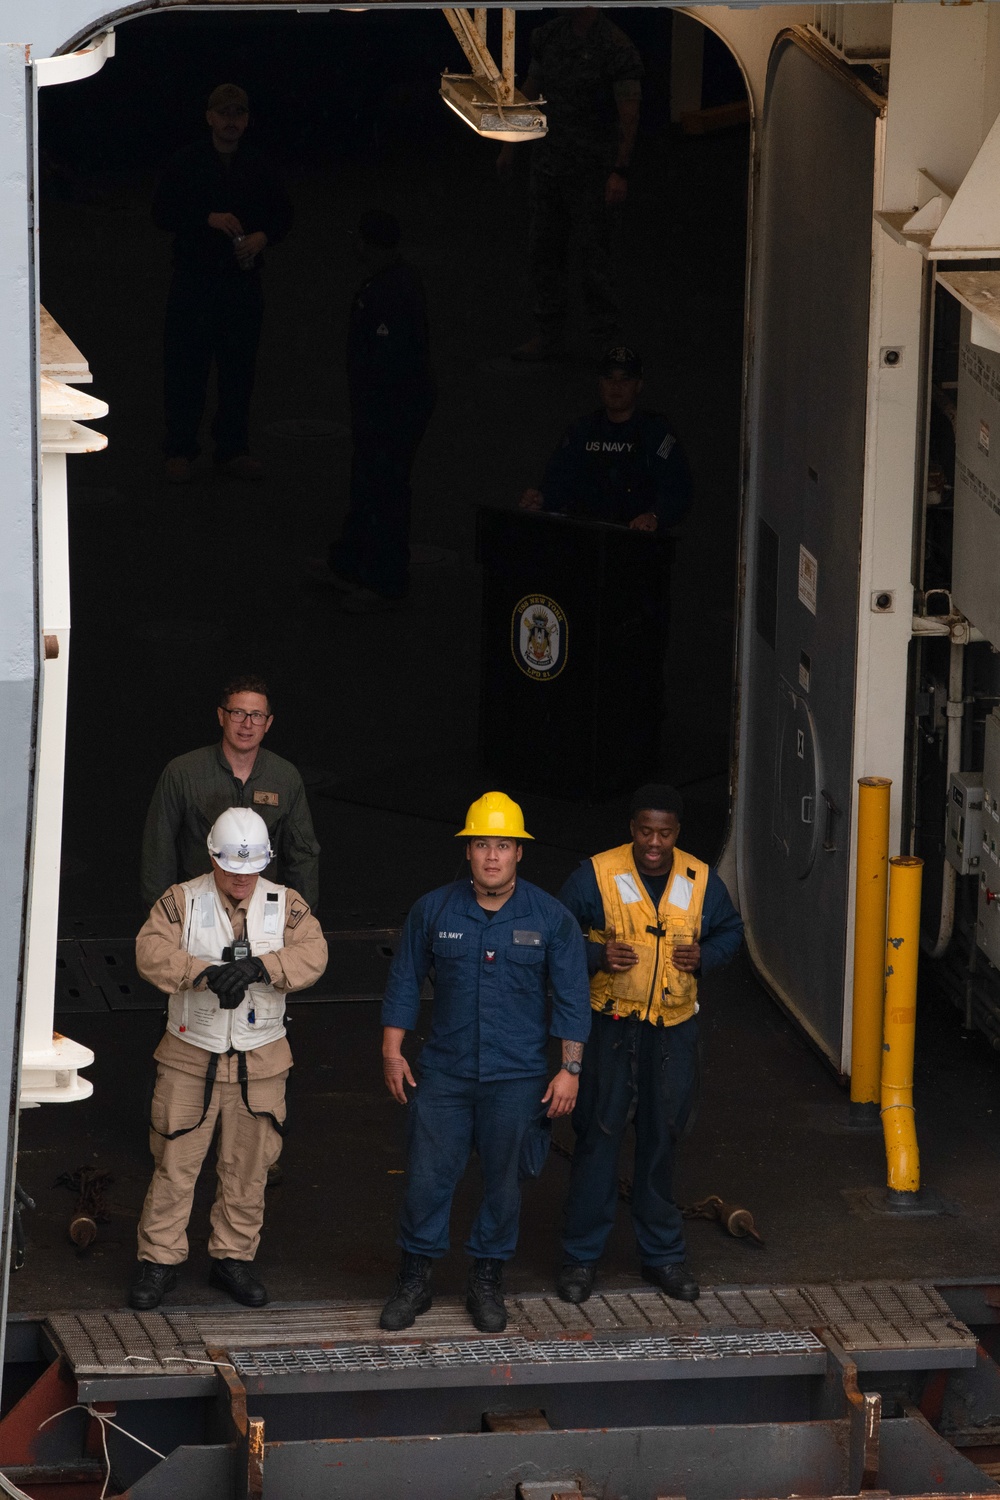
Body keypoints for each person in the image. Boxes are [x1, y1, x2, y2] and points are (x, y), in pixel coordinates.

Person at [379, 792, 591, 1334]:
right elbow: (404, 980)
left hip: (516, 1078)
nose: (492, 856)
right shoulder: (434, 910)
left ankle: (487, 1280)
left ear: (519, 852)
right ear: (467, 851)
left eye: (502, 845)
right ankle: (415, 1279)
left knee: (504, 1183)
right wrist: (392, 1050)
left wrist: (570, 1069)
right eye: (481, 844)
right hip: (445, 1074)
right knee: (426, 1179)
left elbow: (572, 996)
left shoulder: (551, 917)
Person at [130, 808, 328, 1310]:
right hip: (189, 1055)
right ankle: (158, 1261)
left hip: (261, 1059)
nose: (242, 879)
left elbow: (315, 953)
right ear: (212, 858)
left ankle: (233, 1258)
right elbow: (149, 949)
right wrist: (201, 973)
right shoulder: (181, 900)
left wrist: (263, 966)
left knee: (249, 1167)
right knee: (174, 1162)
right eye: (232, 868)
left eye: (252, 869)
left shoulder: (286, 904)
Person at [555, 784, 743, 1305]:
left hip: (672, 1032)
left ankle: (662, 1256)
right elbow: (556, 934)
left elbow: (731, 932)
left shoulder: (700, 879)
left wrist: (705, 956)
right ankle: (580, 1258)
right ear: (632, 829)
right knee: (598, 1140)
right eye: (645, 832)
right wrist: (596, 955)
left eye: (664, 833)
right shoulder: (595, 875)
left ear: (677, 833)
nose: (654, 843)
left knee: (662, 1142)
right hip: (610, 1029)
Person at [152, 83, 293, 484]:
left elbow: (283, 214)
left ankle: (232, 449)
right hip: (195, 282)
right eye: (225, 113)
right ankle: (180, 449)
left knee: (238, 371)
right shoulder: (187, 162)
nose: (232, 121)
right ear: (210, 118)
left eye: (239, 113)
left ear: (247, 120)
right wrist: (206, 218)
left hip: (241, 284)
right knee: (186, 368)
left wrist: (262, 237)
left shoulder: (259, 164)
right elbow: (162, 212)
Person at [498, 7, 643, 361]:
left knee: (596, 259)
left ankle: (606, 342)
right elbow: (530, 90)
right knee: (544, 251)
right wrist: (509, 145)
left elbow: (628, 113)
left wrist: (620, 171)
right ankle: (548, 334)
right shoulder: (549, 36)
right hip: (550, 166)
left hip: (593, 173)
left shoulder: (615, 46)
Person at [312, 210, 435, 613]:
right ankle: (351, 564)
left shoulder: (390, 291)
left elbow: (389, 361)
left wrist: (379, 413)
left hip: (391, 409)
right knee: (368, 483)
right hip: (386, 406)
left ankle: (386, 580)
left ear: (367, 244)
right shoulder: (395, 281)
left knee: (385, 489)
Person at [140, 674, 320, 914]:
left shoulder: (285, 777)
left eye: (257, 715)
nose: (247, 724)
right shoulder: (183, 772)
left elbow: (303, 856)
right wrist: (165, 918)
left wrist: (300, 919)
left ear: (268, 723)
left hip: (262, 912)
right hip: (197, 909)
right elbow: (158, 852)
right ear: (221, 716)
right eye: (238, 713)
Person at [520, 347, 692, 530]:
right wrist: (542, 499)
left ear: (638, 385)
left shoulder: (657, 432)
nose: (616, 386)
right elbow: (559, 479)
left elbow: (677, 487)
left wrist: (655, 515)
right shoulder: (581, 430)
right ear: (600, 383)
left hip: (635, 536)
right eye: (609, 378)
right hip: (583, 533)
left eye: (625, 379)